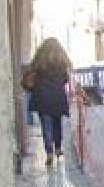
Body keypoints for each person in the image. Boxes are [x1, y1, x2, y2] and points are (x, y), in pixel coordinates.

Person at [26, 37, 72, 167]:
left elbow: (31, 78)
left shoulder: (39, 61)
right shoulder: (62, 62)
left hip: (42, 98)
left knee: (46, 126)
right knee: (57, 125)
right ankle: (58, 149)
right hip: (57, 98)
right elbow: (65, 80)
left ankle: (49, 153)